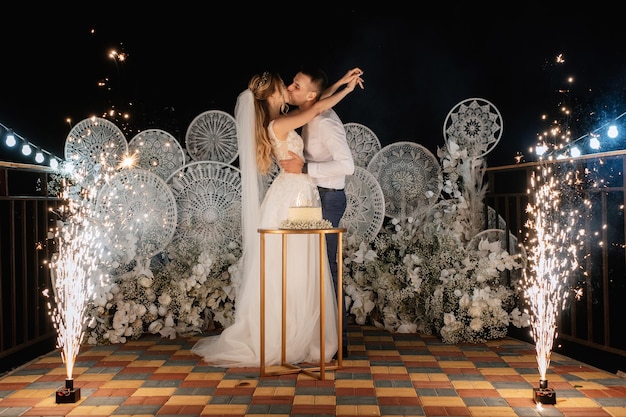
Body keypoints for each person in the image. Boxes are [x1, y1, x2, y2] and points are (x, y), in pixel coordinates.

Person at [191, 70, 363, 367]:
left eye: (294, 85)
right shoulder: (281, 122)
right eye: (285, 86)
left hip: (296, 192)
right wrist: (348, 91)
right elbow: (317, 105)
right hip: (296, 194)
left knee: (308, 265)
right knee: (300, 265)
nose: (288, 88)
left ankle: (310, 333)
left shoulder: (283, 119)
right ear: (272, 95)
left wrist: (337, 84)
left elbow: (316, 102)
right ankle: (297, 335)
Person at [280, 66, 360, 358]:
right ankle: (319, 336)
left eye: (296, 85)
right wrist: (340, 82)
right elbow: (320, 96)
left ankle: (339, 344)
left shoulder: (325, 122)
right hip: (314, 197)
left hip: (329, 199)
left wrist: (305, 168)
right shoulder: (312, 111)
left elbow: (347, 166)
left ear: (310, 95)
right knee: (315, 269)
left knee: (329, 269)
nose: (290, 87)